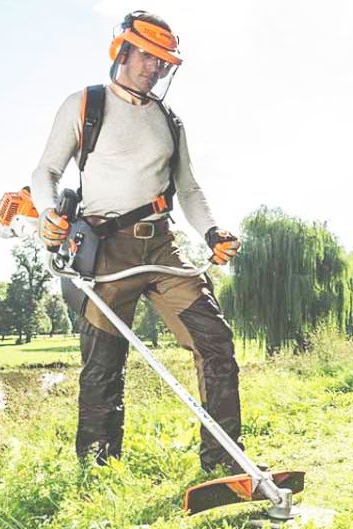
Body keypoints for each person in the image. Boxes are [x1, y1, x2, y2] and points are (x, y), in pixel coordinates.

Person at [29, 10, 245, 473]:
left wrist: (212, 232)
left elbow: (188, 189)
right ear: (123, 50)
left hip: (163, 249)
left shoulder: (170, 121)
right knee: (103, 366)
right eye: (148, 55)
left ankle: (224, 464)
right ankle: (98, 471)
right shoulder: (86, 105)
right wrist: (48, 212)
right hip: (106, 251)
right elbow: (46, 172)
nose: (155, 67)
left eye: (163, 61)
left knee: (215, 343)